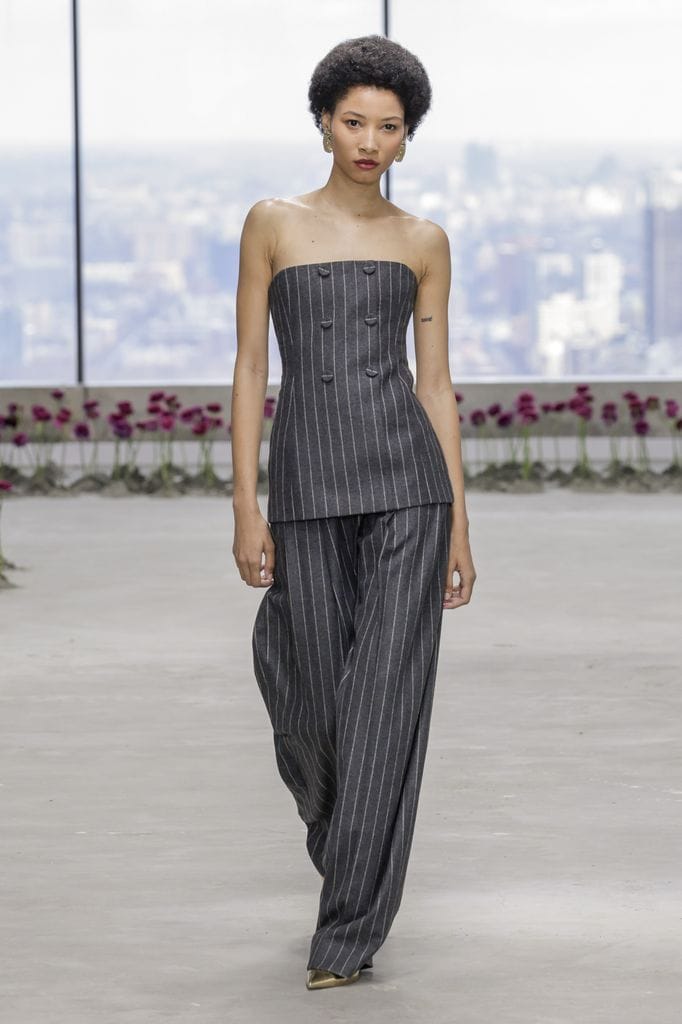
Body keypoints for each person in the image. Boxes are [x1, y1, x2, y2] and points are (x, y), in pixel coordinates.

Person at [230, 33, 476, 991]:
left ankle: (346, 933)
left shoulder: (423, 242)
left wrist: (458, 521)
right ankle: (351, 850)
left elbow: (437, 384)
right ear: (323, 123)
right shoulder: (272, 225)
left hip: (408, 490)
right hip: (304, 489)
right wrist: (246, 505)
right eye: (353, 122)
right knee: (305, 694)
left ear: (408, 139)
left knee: (384, 706)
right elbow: (253, 368)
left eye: (389, 127)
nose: (369, 140)